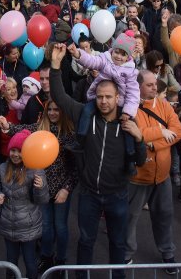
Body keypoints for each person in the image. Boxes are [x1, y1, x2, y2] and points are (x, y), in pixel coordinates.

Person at [48, 43, 145, 278]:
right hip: (89, 194)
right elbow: (60, 97)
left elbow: (140, 160)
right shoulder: (84, 114)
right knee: (86, 241)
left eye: (108, 97)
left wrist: (140, 138)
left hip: (117, 195)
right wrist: (55, 66)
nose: (103, 101)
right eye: (100, 96)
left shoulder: (127, 124)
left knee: (117, 244)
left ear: (118, 97)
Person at [0, 98, 78, 273]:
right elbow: (22, 130)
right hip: (41, 189)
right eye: (50, 110)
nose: (53, 113)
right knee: (46, 227)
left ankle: (61, 262)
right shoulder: (39, 128)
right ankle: (47, 258)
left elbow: (75, 168)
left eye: (57, 109)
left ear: (63, 112)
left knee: (61, 227)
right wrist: (7, 125)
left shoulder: (69, 134)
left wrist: (66, 189)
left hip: (61, 190)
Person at [125, 70, 181, 272]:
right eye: (149, 85)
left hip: (162, 176)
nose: (155, 87)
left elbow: (177, 131)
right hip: (138, 177)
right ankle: (125, 255)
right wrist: (160, 133)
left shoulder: (164, 105)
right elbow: (134, 134)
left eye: (155, 84)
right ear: (138, 86)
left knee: (164, 216)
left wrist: (151, 144)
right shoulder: (130, 107)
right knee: (130, 218)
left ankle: (168, 253)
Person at [0, 130, 49, 279]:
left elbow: (42, 200)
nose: (16, 154)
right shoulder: (2, 168)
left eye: (20, 151)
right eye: (13, 150)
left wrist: (40, 187)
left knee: (30, 262)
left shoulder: (36, 170)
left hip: (28, 227)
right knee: (11, 262)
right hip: (8, 225)